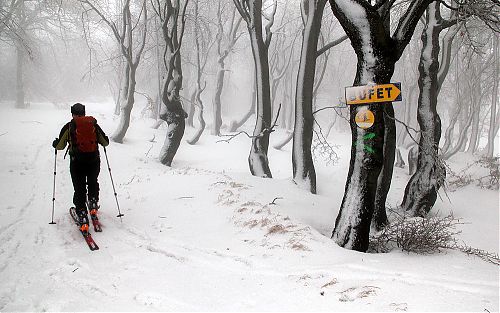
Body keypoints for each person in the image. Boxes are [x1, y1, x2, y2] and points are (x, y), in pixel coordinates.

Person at [52, 103, 109, 230]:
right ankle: (93, 204)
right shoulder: (93, 124)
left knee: (79, 187)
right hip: (94, 161)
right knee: (93, 181)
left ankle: (82, 214)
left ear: (72, 113)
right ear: (84, 112)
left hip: (77, 162)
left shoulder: (69, 126)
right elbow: (105, 142)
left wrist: (55, 143)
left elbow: (60, 146)